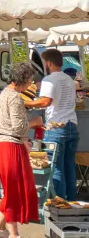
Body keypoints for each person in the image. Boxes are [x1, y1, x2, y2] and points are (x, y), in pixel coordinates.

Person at [0, 62, 43, 238]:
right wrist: (35, 122)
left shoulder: (5, 93)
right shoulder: (14, 97)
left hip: (7, 143)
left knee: (11, 188)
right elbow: (19, 127)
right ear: (23, 79)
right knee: (14, 190)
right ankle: (14, 236)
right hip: (11, 145)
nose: (31, 82)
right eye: (30, 79)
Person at [26, 48, 79, 200]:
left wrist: (26, 102)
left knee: (56, 167)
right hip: (71, 125)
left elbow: (45, 101)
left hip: (56, 127)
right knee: (69, 167)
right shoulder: (69, 79)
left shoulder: (49, 80)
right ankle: (71, 202)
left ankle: (60, 203)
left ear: (48, 63)